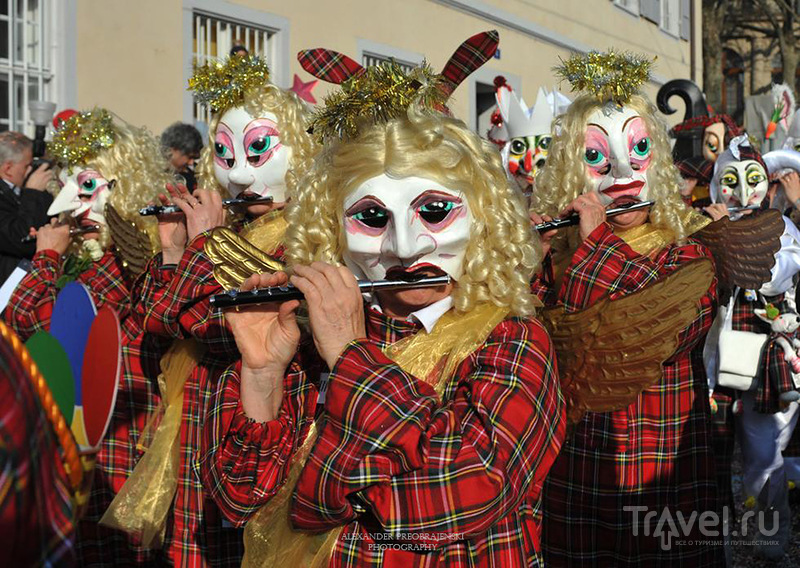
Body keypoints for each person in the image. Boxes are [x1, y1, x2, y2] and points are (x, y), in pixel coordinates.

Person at [199, 31, 566, 568]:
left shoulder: (512, 341)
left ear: (483, 217)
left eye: (435, 211)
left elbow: (464, 492)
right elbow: (238, 497)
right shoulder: (307, 340)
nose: (403, 245)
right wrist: (261, 373)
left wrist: (351, 357)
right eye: (371, 218)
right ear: (334, 229)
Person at [531, 51, 723, 567]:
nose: (621, 172)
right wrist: (530, 263)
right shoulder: (559, 252)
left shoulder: (690, 245)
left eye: (638, 149)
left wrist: (594, 246)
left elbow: (673, 322)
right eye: (596, 157)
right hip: (579, 475)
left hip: (662, 473)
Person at [132, 54, 317, 567]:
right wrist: (174, 251)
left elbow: (213, 329)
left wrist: (207, 243)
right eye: (224, 152)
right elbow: (158, 322)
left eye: (258, 150)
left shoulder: (304, 237)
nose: (238, 173)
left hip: (264, 425)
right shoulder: (236, 230)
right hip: (202, 416)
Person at [2, 108, 175, 566]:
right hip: (87, 446)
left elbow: (36, 327)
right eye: (64, 188)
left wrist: (46, 258)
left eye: (85, 187)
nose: (64, 206)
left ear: (124, 187)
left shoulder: (125, 265)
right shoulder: (101, 259)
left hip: (114, 450)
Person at [704, 136, 800, 559]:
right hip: (714, 367)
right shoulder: (703, 224)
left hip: (766, 365)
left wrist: (726, 238)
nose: (743, 194)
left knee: (763, 460)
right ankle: (717, 545)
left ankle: (771, 540)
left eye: (754, 180)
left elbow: (771, 275)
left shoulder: (785, 229)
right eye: (731, 181)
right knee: (711, 462)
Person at [0, 131, 53, 283]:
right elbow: (22, 239)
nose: (31, 170)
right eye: (28, 165)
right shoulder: (27, 193)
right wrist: (33, 193)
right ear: (8, 168)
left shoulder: (19, 191)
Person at [161, 121, 203, 191]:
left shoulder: (191, 177)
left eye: (194, 158)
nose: (191, 163)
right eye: (190, 157)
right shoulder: (153, 175)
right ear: (173, 149)